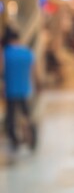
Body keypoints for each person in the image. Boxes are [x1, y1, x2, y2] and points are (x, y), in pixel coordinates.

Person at [1, 26, 38, 155]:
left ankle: (14, 140)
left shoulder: (5, 53)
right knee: (26, 113)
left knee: (11, 116)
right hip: (25, 88)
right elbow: (34, 72)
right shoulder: (27, 52)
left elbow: (2, 70)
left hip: (10, 89)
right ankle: (31, 135)